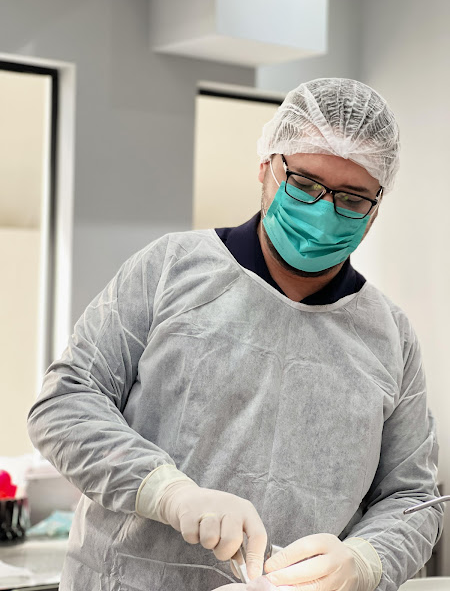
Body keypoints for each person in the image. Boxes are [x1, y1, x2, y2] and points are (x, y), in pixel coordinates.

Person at [28, 78, 443, 591]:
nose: (322, 212)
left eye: (352, 199)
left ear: (375, 209)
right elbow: (65, 403)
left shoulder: (390, 337)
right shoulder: (171, 269)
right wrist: (167, 491)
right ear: (266, 168)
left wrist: (366, 560)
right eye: (305, 184)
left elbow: (413, 498)